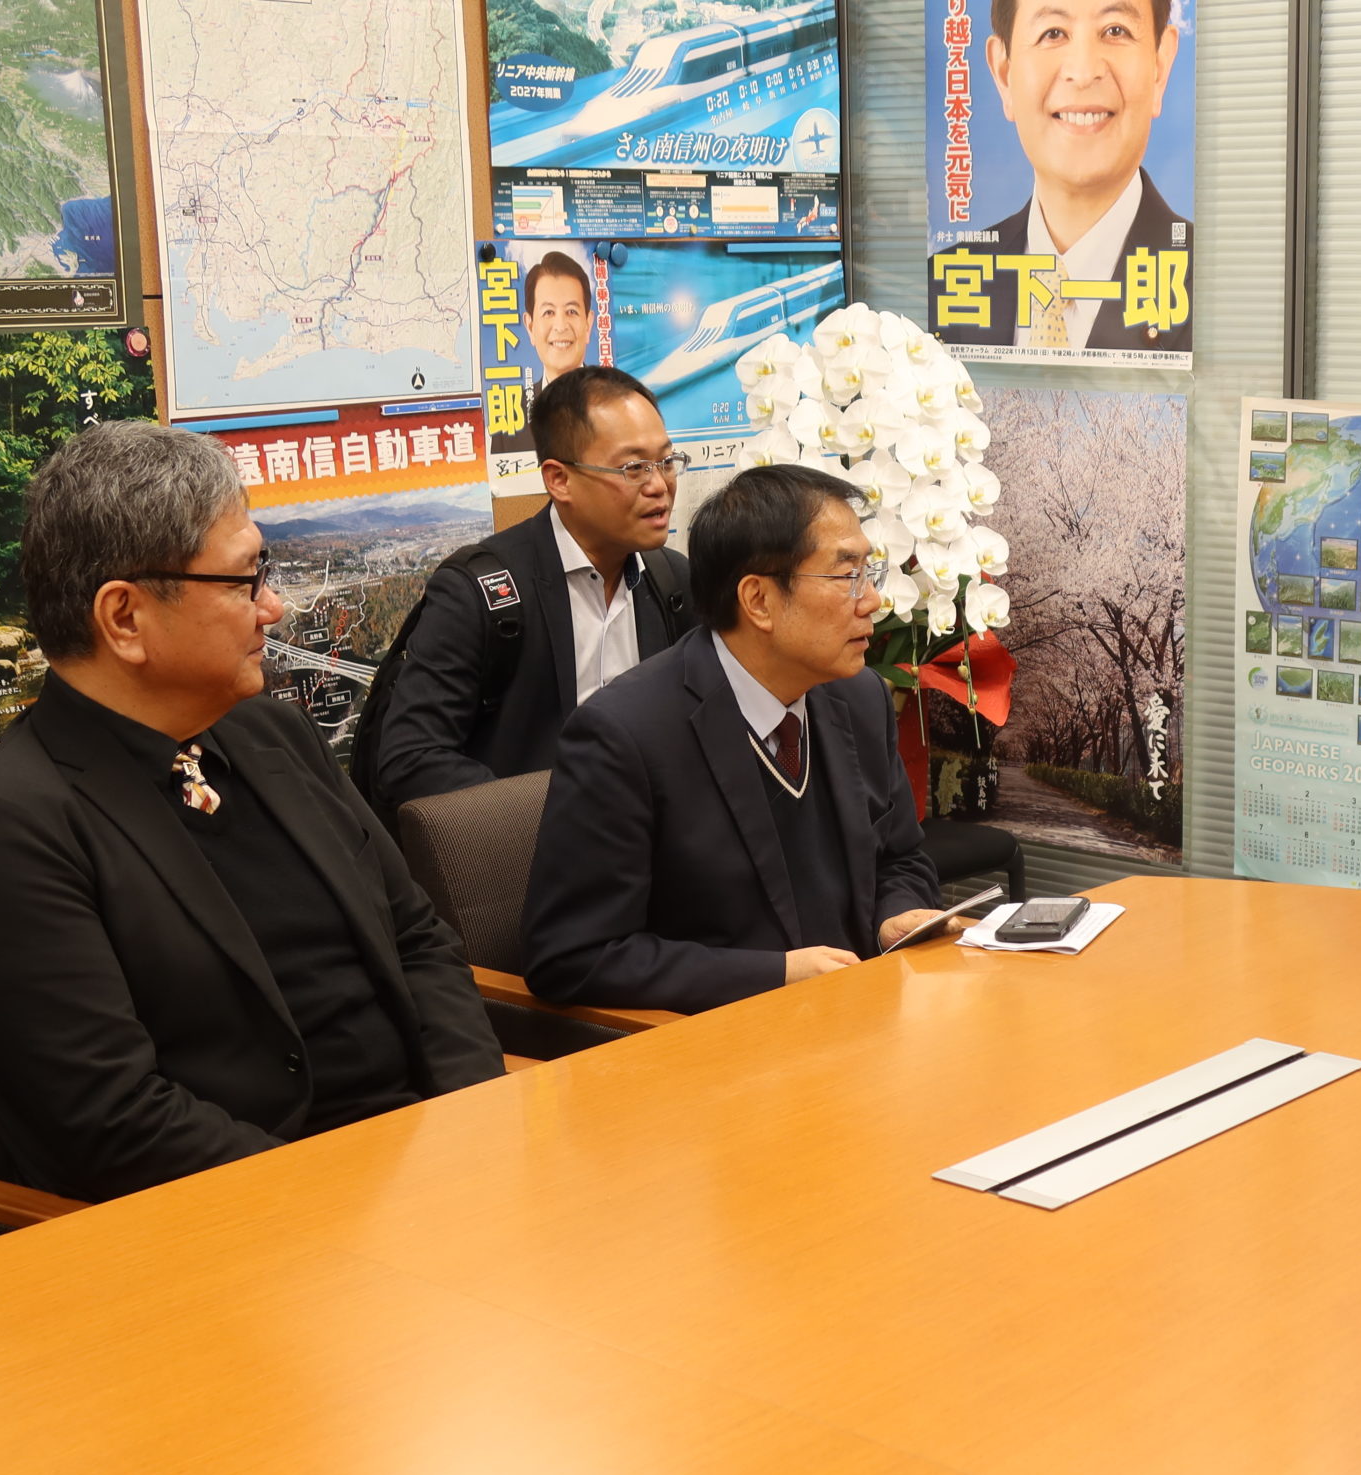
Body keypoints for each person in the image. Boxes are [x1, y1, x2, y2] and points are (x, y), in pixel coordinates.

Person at [0, 422, 503, 1201]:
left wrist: (474, 1117)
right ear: (124, 618)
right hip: (257, 1215)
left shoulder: (273, 732)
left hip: (434, 1158)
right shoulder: (11, 830)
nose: (274, 606)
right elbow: (113, 1123)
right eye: (243, 582)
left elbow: (418, 940)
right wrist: (339, 1196)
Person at [520, 464, 951, 1014]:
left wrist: (895, 915)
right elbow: (571, 956)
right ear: (759, 600)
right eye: (847, 576)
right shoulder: (625, 736)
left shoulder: (858, 697)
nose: (872, 601)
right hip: (724, 1041)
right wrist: (774, 975)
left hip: (862, 1017)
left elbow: (900, 858)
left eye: (871, 572)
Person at [362, 366, 694, 812]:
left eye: (667, 462)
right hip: (527, 846)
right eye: (633, 468)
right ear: (559, 480)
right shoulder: (476, 594)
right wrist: (561, 813)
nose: (659, 485)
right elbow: (410, 759)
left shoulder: (673, 581)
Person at [932, 0, 1191, 355]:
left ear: (1159, 67)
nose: (1083, 73)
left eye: (1115, 30)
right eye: (1052, 33)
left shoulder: (1217, 289)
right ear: (1004, 74)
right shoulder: (941, 287)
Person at [522, 250, 596, 391]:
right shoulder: (517, 402)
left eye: (571, 311)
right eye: (548, 312)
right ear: (530, 327)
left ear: (588, 324)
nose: (561, 327)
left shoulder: (613, 400)